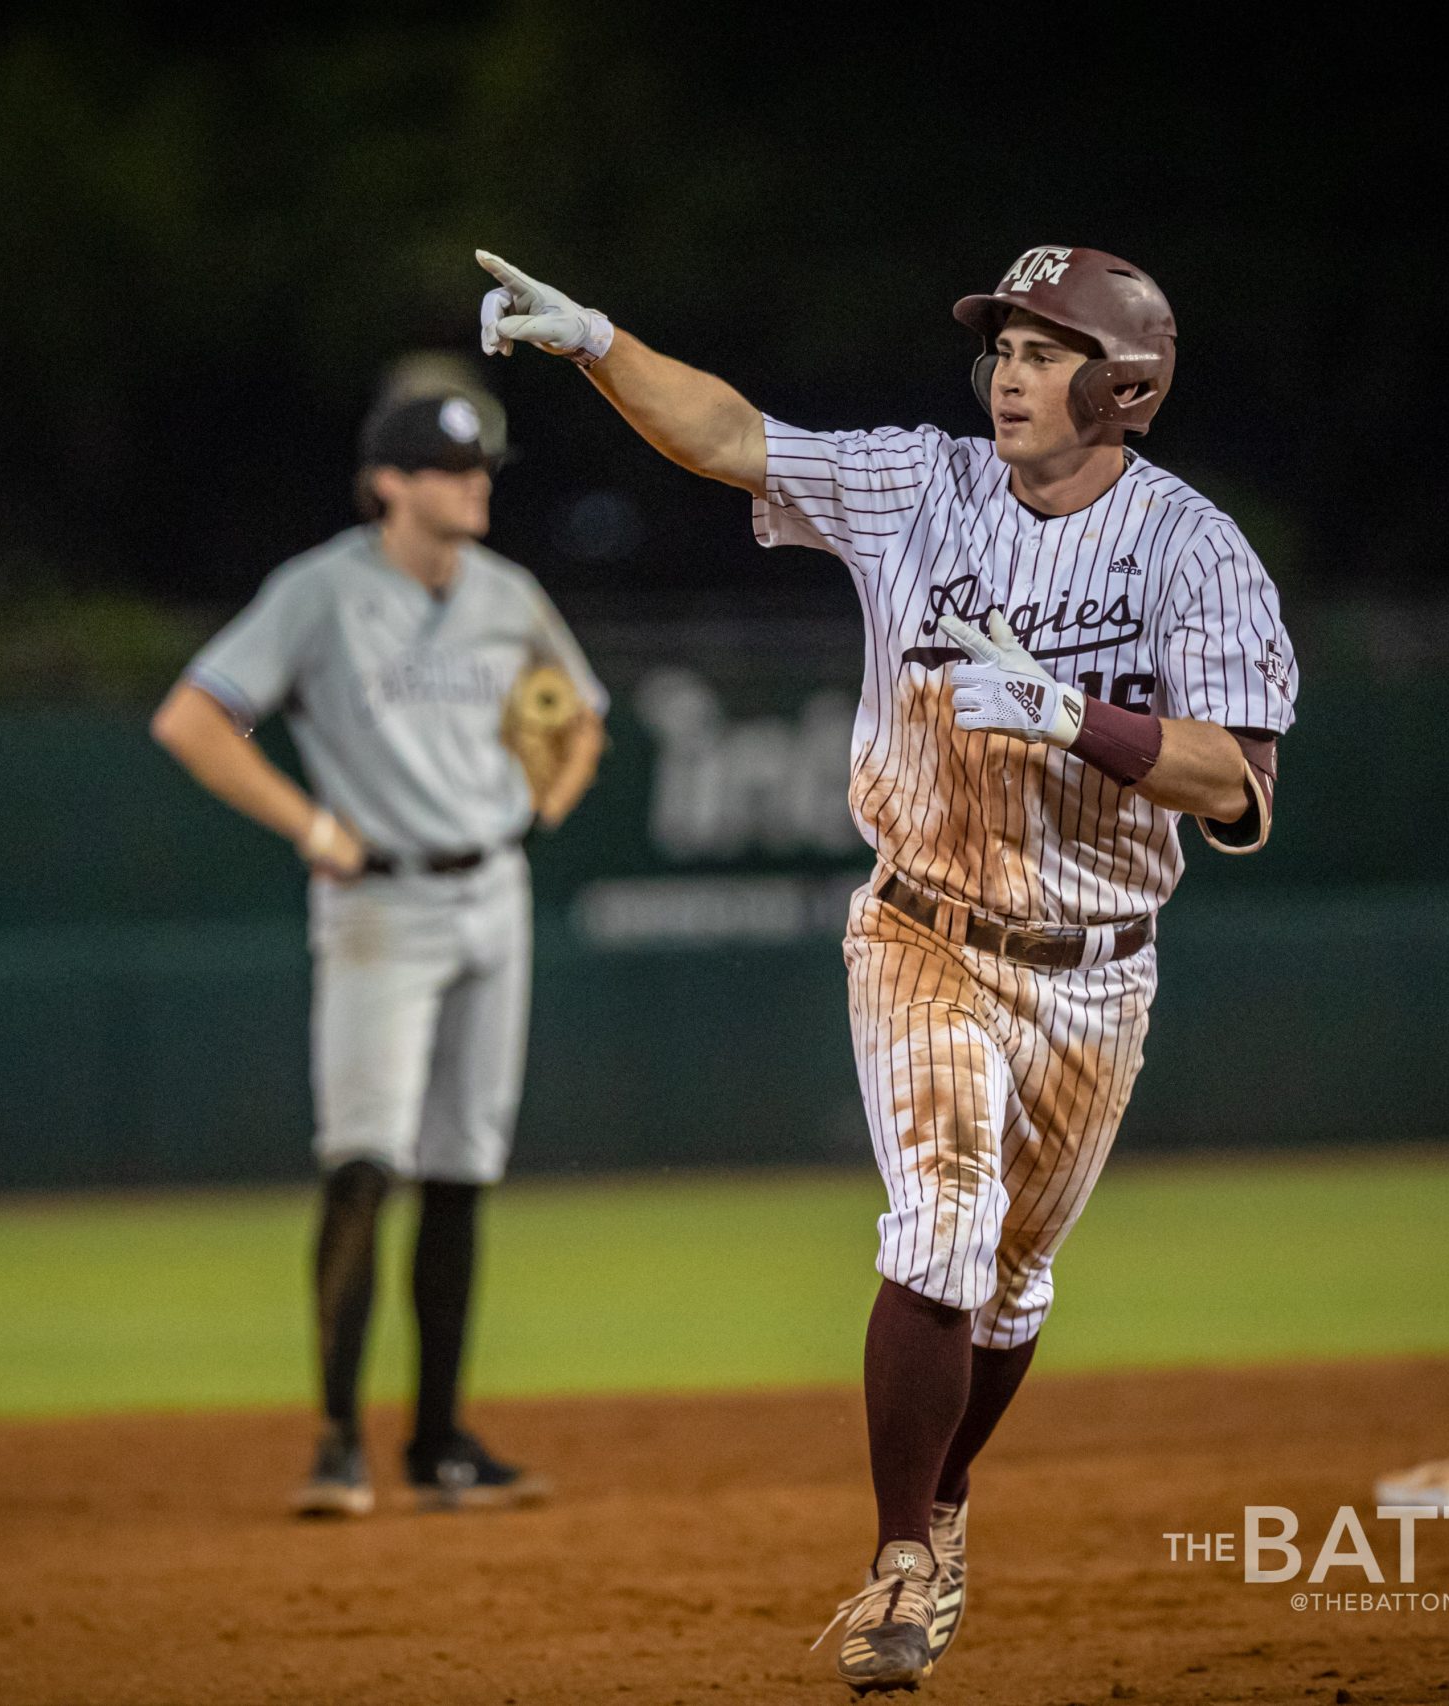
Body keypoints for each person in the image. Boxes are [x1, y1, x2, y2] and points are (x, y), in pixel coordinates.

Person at [474, 244, 1296, 1689]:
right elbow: (733, 436)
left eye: (1050, 353)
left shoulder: (1193, 549)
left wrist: (1071, 715)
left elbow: (1235, 782)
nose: (1013, 375)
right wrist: (601, 337)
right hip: (920, 927)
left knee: (1018, 1284)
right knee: (941, 1221)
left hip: (1100, 967)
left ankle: (949, 1495)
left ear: (1127, 387)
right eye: (1007, 349)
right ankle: (902, 1560)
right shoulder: (923, 484)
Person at [150, 389, 607, 1516]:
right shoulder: (322, 591)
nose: (476, 483)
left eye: (481, 466)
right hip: (380, 906)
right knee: (362, 1160)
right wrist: (309, 824)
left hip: (491, 888)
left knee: (461, 1167)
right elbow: (195, 717)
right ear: (388, 483)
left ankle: (441, 1443)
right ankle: (337, 1441)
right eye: (451, 468)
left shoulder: (505, 597)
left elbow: (576, 709)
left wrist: (549, 788)